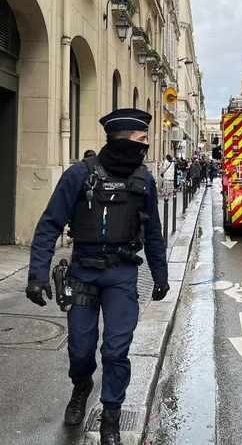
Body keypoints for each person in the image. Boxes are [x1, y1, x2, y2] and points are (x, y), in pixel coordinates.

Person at [25, 108, 170, 445]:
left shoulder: (143, 180)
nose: (146, 146)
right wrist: (37, 274)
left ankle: (111, 417)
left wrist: (160, 275)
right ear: (123, 140)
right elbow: (49, 224)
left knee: (117, 351)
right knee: (80, 349)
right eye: (142, 140)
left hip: (121, 275)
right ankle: (81, 386)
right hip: (83, 273)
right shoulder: (79, 175)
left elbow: (154, 233)